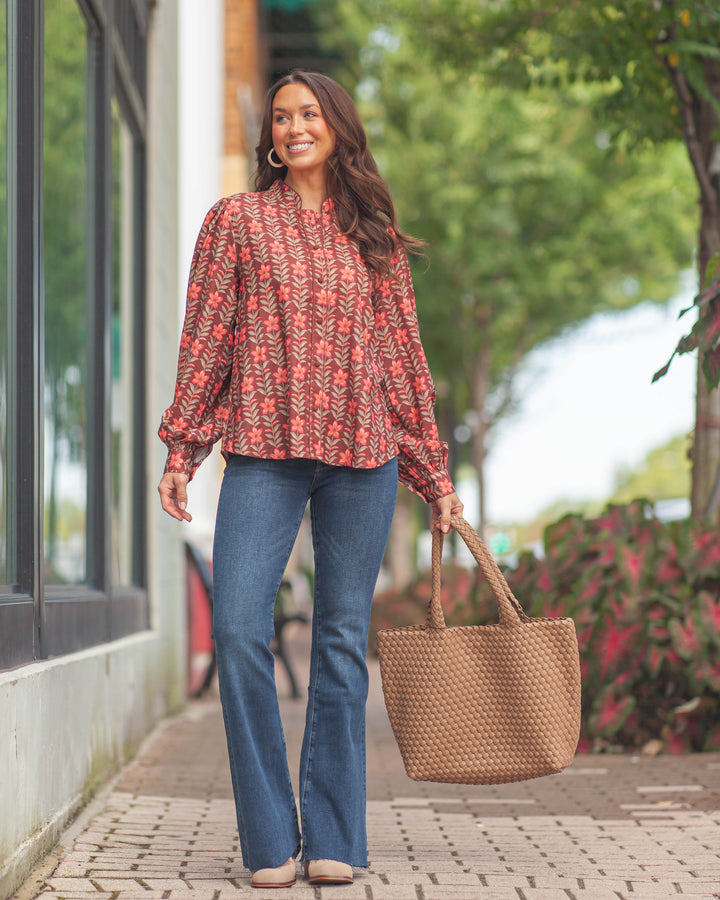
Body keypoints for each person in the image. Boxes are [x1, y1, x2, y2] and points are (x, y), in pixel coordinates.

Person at [157, 70, 463, 890]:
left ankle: (333, 837)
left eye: (309, 115)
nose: (294, 127)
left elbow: (404, 361)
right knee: (236, 631)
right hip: (262, 449)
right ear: (270, 136)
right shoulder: (237, 223)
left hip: (365, 457)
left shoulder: (375, 237)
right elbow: (207, 341)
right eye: (283, 117)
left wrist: (434, 476)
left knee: (338, 642)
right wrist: (184, 448)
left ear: (337, 128)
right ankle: (269, 839)